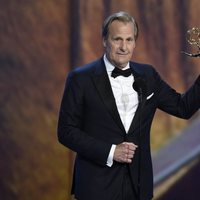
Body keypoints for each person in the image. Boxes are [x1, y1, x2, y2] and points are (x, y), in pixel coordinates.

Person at [57, 11, 200, 200]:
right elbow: (66, 131)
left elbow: (183, 107)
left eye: (129, 40)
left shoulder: (148, 75)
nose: (124, 47)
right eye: (117, 39)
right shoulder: (80, 78)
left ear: (135, 42)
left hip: (138, 188)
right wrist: (111, 151)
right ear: (105, 40)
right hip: (95, 187)